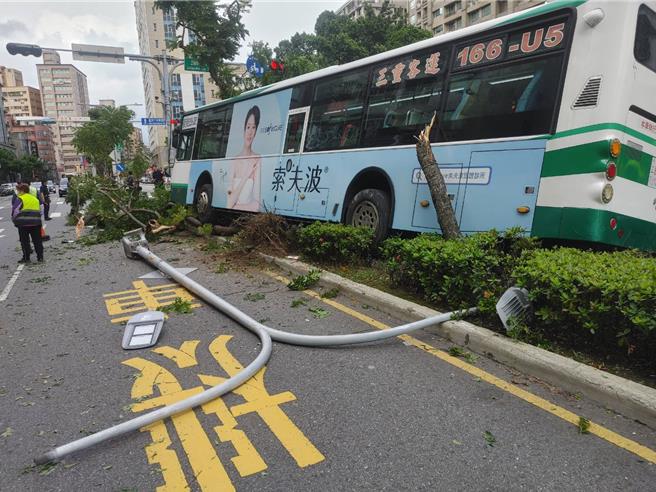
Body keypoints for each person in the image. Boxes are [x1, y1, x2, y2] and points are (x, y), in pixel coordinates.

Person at [227, 105, 261, 212]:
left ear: (256, 131)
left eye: (253, 127)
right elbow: (228, 204)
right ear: (244, 128)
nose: (250, 132)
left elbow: (257, 204)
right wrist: (246, 176)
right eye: (248, 127)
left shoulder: (257, 159)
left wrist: (235, 206)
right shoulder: (234, 160)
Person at [12, 183, 44, 263]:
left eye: (18, 190)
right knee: (37, 241)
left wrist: (15, 221)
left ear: (22, 190)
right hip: (36, 223)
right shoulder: (35, 199)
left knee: (25, 242)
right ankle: (40, 257)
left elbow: (15, 211)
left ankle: (27, 258)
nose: (18, 192)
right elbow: (41, 212)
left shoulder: (20, 199)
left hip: (23, 224)